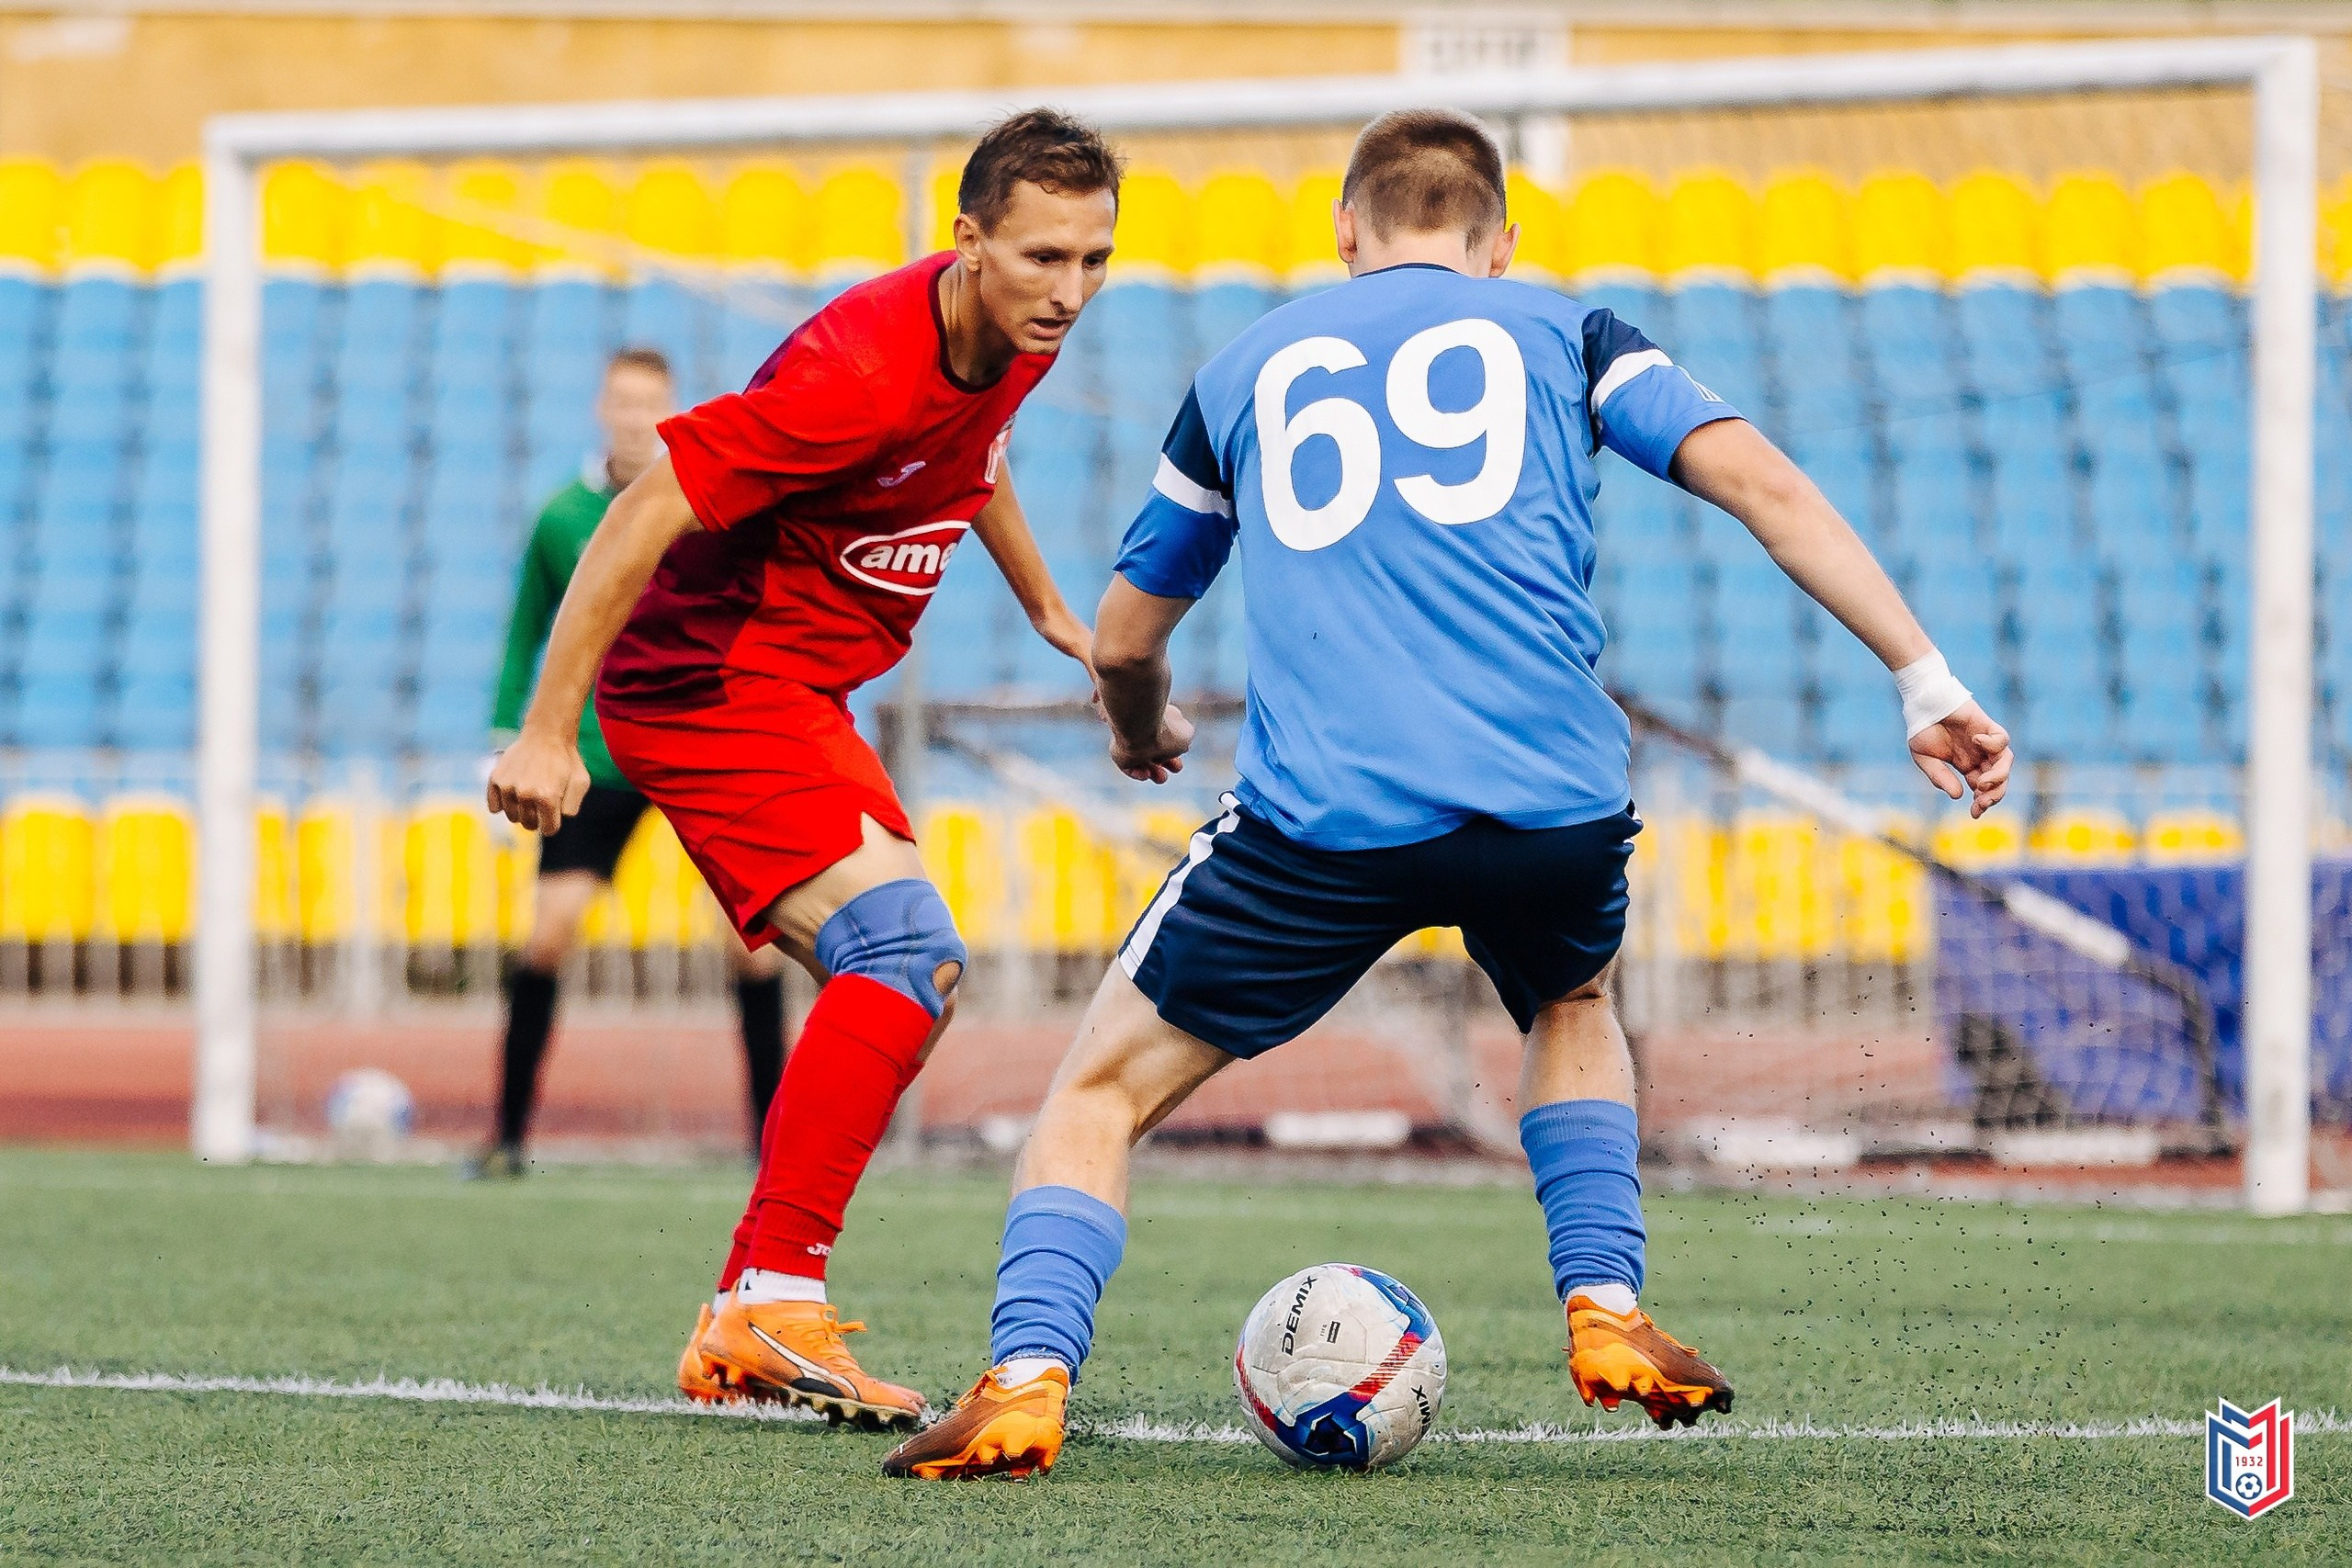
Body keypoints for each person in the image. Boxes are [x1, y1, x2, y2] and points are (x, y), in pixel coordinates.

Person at [884, 107, 2015, 1480]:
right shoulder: (1572, 330)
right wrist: (1922, 677)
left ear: (1346, 233)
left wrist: (1140, 728)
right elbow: (1761, 484)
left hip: (1322, 823)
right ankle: (1603, 1303)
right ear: (1499, 245)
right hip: (1553, 810)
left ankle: (1025, 1375)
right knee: (1573, 998)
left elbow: (1126, 635)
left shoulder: (1245, 366)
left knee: (1097, 1091)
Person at [486, 108, 1132, 1430]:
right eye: (1042, 257)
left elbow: (978, 454)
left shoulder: (1013, 333)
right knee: (904, 955)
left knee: (908, 974)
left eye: (1094, 258)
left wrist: (1051, 611)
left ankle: (745, 1312)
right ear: (967, 244)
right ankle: (770, 1290)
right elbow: (648, 498)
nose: (1069, 289)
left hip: (798, 691)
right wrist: (549, 732)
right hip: (709, 684)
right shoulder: (858, 368)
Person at [472, 346, 788, 1181]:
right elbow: (524, 629)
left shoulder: (704, 499)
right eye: (622, 402)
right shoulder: (561, 518)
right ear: (602, 408)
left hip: (695, 746)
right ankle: (507, 1137)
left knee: (753, 947)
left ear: (670, 408)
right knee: (549, 933)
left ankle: (774, 1148)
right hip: (598, 759)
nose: (635, 417)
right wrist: (508, 734)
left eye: (651, 403)